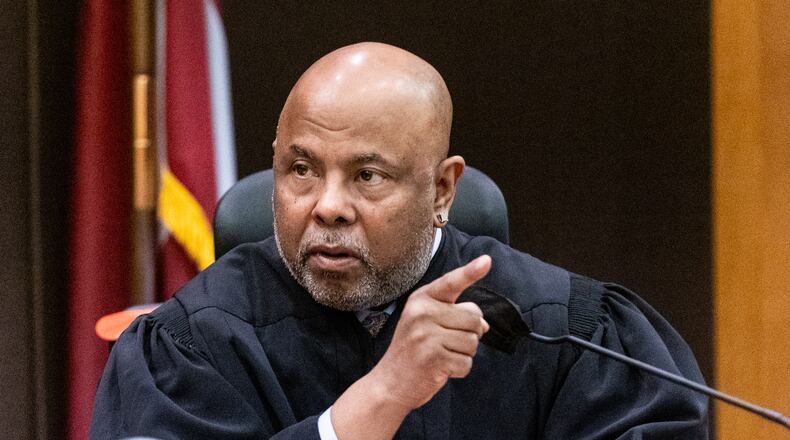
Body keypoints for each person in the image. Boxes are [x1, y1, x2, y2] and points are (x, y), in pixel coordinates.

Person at [90, 42, 708, 439]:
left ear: (442, 190)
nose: (328, 207)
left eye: (368, 176)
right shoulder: (193, 343)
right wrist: (384, 394)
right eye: (301, 170)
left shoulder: (566, 331)